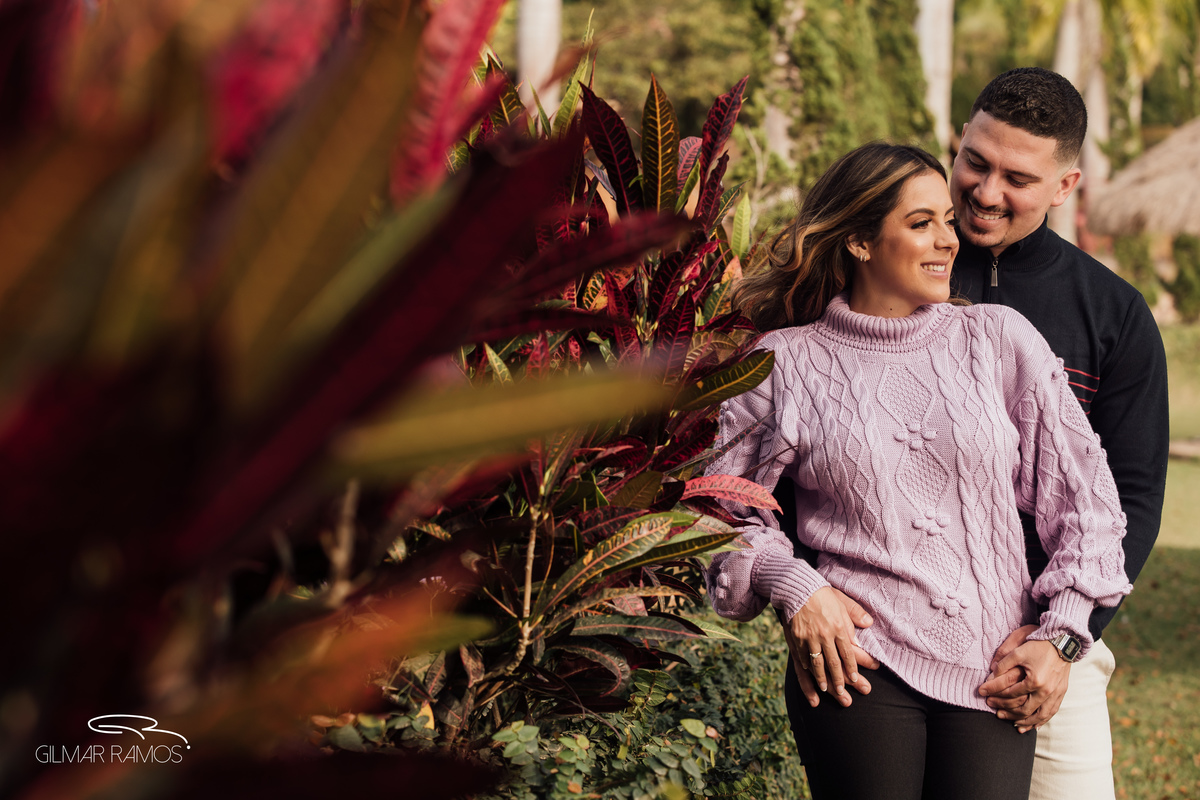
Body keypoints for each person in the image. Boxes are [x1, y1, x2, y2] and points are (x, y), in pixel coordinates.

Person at [783, 68, 1170, 800]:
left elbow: (1132, 500)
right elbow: (771, 478)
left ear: (1065, 186)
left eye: (1018, 178)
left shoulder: (1111, 312)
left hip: (1047, 646)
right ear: (956, 144)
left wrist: (1058, 640)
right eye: (976, 163)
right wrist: (810, 591)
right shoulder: (859, 284)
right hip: (883, 645)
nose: (986, 193)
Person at [705, 141, 1132, 800]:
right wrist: (793, 583)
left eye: (945, 219)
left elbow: (1088, 505)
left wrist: (1062, 636)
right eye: (920, 223)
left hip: (993, 668)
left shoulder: (997, 340)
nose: (948, 240)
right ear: (859, 242)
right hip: (858, 665)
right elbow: (717, 512)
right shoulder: (784, 363)